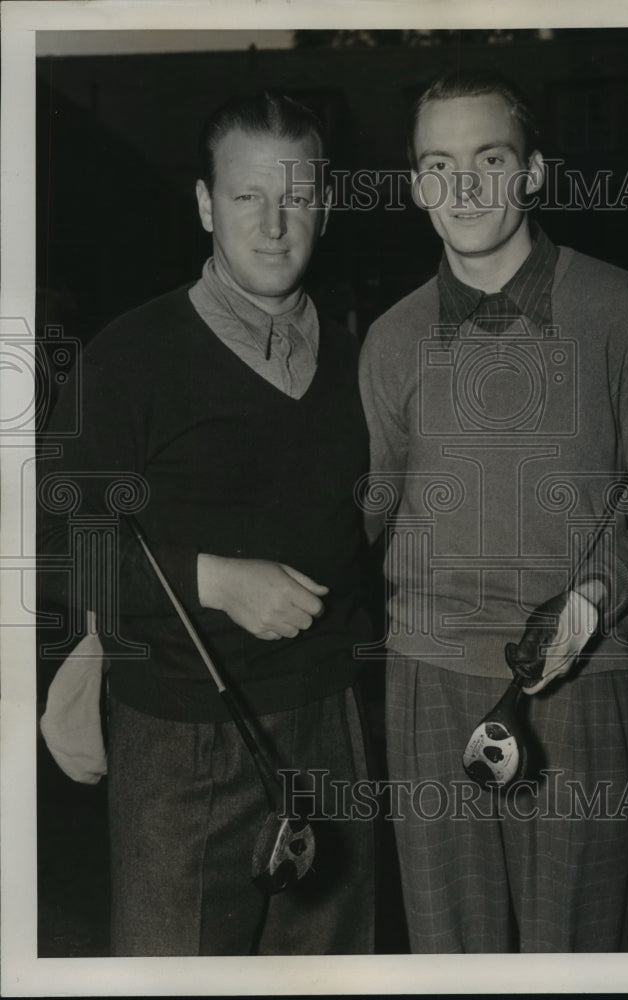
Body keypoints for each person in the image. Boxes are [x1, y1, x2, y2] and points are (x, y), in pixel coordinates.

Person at [358, 71, 628, 953]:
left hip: (581, 678)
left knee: (576, 957)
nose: (465, 187)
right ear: (414, 187)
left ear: (534, 172)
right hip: (425, 678)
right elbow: (361, 517)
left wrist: (595, 596)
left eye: (490, 158)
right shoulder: (391, 336)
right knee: (450, 957)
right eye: (439, 164)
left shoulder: (617, 306)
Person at [38, 92, 374, 956]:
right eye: (245, 197)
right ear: (203, 206)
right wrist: (215, 580)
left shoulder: (357, 363)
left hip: (327, 722)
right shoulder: (130, 356)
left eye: (295, 196)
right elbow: (52, 555)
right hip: (180, 735)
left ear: (325, 204)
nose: (272, 225)